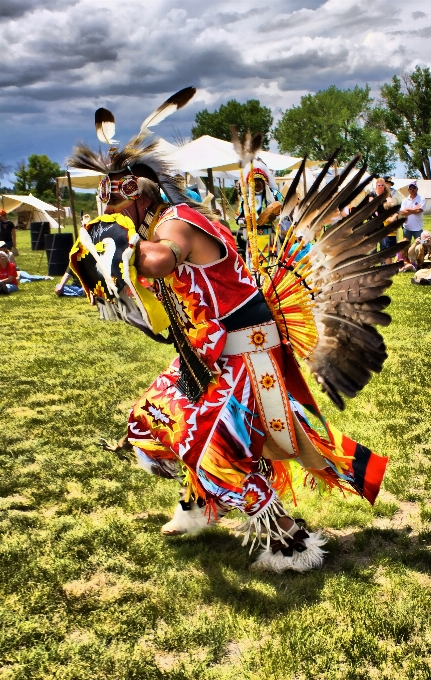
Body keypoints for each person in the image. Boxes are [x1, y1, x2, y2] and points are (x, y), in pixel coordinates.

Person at [66, 88, 400, 572]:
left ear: (139, 196)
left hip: (248, 354)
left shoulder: (178, 223)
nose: (111, 213)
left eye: (116, 203)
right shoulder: (160, 224)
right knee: (153, 418)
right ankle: (197, 507)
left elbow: (159, 262)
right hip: (208, 350)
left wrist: (119, 245)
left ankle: (292, 542)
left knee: (217, 453)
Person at [236, 160, 283, 265]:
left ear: (265, 182)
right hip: (253, 238)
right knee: (255, 267)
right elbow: (238, 218)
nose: (257, 183)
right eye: (254, 180)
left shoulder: (274, 195)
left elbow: (284, 214)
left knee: (272, 266)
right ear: (249, 182)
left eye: (259, 180)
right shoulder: (245, 198)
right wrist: (245, 220)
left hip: (270, 235)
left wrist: (274, 218)